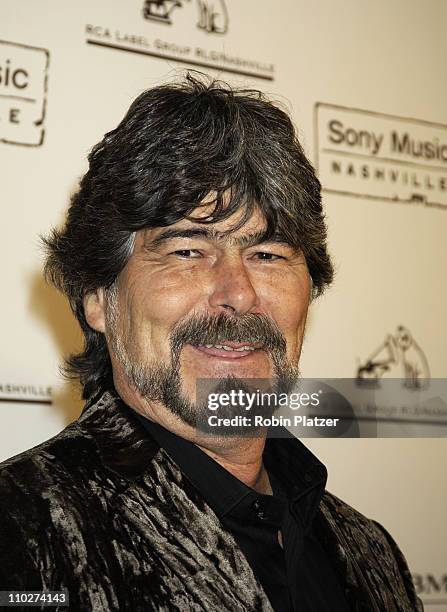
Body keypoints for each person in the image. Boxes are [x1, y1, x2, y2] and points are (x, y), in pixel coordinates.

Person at [0, 73, 422, 611]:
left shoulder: (371, 551)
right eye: (187, 251)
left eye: (268, 254)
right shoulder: (21, 536)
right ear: (99, 298)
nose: (238, 294)